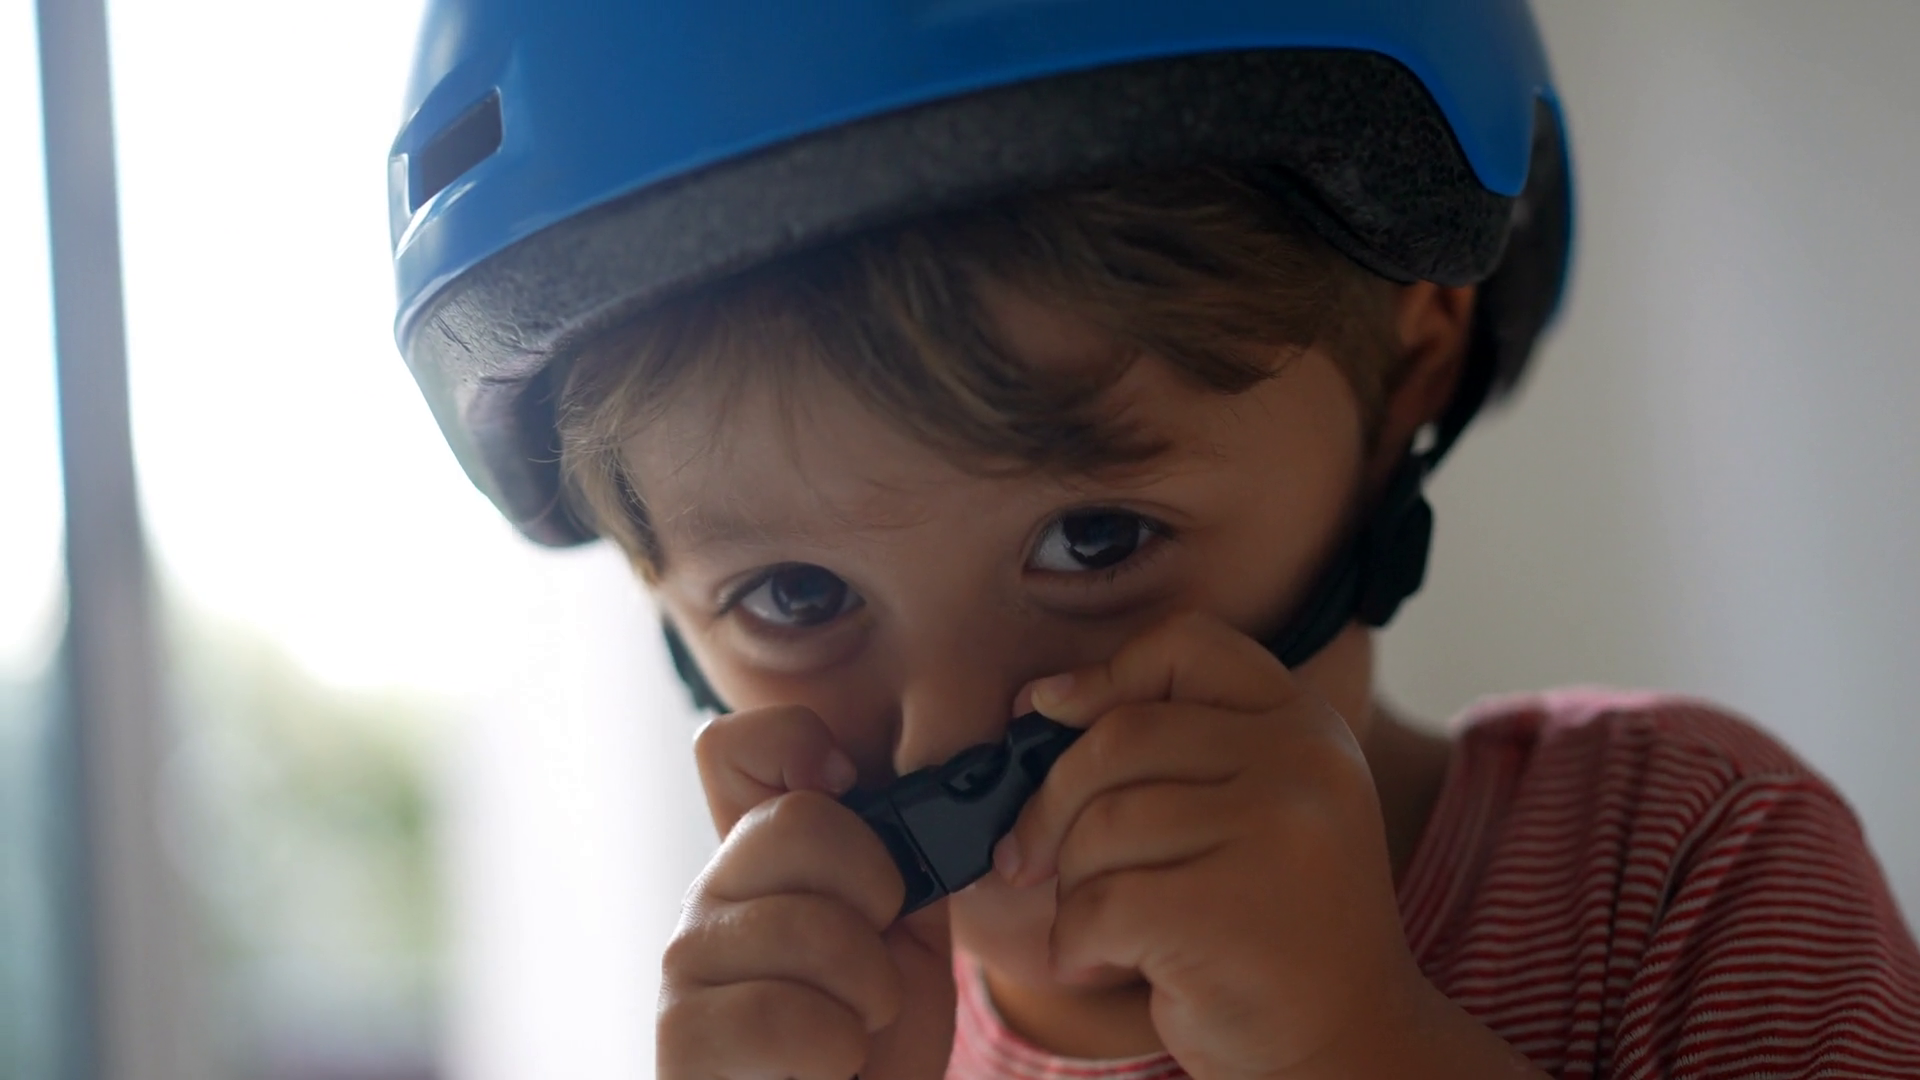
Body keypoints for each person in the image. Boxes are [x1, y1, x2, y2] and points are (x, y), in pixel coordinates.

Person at [386, 2, 1920, 1076]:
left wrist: (1358, 1048)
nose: (953, 736)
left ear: (1410, 365)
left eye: (1097, 538)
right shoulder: (824, 1052)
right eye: (793, 594)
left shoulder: (1686, 870)